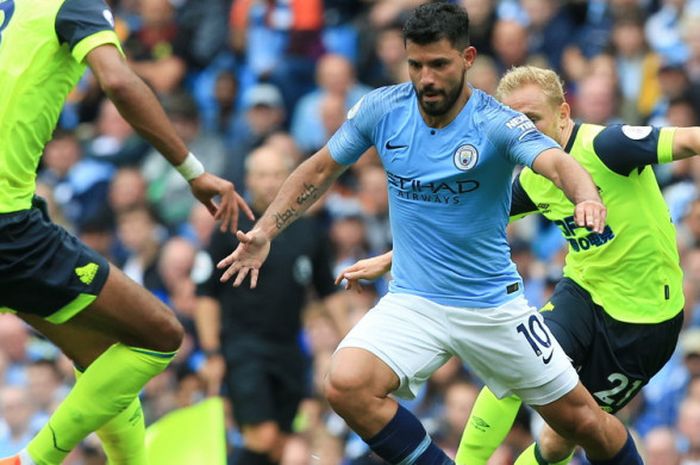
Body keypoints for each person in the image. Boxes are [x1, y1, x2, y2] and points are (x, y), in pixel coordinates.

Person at [217, 4, 643, 465]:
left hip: (490, 307)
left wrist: (587, 196)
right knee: (346, 383)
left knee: (584, 424)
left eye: (439, 64)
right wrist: (265, 231)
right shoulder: (384, 109)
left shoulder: (496, 122)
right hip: (414, 300)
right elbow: (320, 168)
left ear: (467, 58)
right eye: (415, 64)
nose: (426, 78)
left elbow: (558, 162)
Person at [337, 65, 689, 465]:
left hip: (644, 320)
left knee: (562, 439)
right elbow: (461, 228)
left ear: (564, 114)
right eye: (516, 123)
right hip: (584, 292)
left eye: (535, 120)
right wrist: (387, 260)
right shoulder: (531, 180)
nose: (527, 133)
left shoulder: (608, 147)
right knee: (512, 369)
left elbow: (689, 141)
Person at [0, 0, 252, 464]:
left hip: (15, 221)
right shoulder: (72, 5)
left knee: (101, 360)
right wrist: (191, 170)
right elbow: (117, 79)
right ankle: (34, 459)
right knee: (160, 335)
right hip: (7, 226)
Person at [195, 144, 338, 465]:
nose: (269, 182)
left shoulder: (309, 232)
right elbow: (206, 295)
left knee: (281, 445)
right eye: (261, 175)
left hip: (289, 349)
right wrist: (212, 352)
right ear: (249, 179)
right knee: (262, 436)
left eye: (276, 175)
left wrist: (352, 342)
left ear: (289, 179)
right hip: (243, 347)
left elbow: (328, 291)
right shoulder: (228, 228)